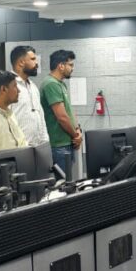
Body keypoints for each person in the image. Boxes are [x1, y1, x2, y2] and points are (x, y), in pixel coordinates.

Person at [40, 49, 82, 177]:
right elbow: (62, 117)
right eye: (70, 65)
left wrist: (78, 130)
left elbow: (69, 110)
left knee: (67, 181)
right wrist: (75, 136)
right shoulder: (50, 84)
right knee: (63, 184)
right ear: (61, 66)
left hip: (67, 143)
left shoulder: (61, 84)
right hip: (59, 145)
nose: (72, 68)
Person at [7, 45, 49, 147]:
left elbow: (40, 116)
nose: (37, 63)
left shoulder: (33, 87)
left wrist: (45, 143)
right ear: (21, 62)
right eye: (33, 59)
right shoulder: (8, 87)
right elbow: (5, 121)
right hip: (19, 148)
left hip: (38, 147)